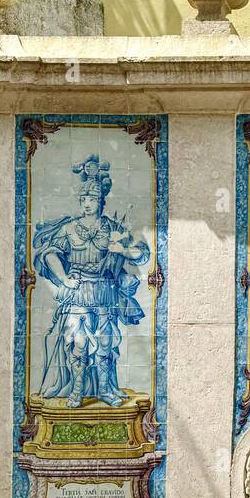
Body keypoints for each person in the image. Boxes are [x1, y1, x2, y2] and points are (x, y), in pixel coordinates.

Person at [33, 154, 149, 408]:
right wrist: (64, 279)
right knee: (78, 342)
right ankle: (76, 391)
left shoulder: (112, 228)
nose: (87, 204)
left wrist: (122, 251)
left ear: (101, 201)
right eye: (84, 199)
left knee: (106, 343)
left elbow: (143, 254)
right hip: (79, 292)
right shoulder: (70, 228)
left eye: (92, 199)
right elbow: (49, 253)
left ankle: (106, 390)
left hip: (105, 292)